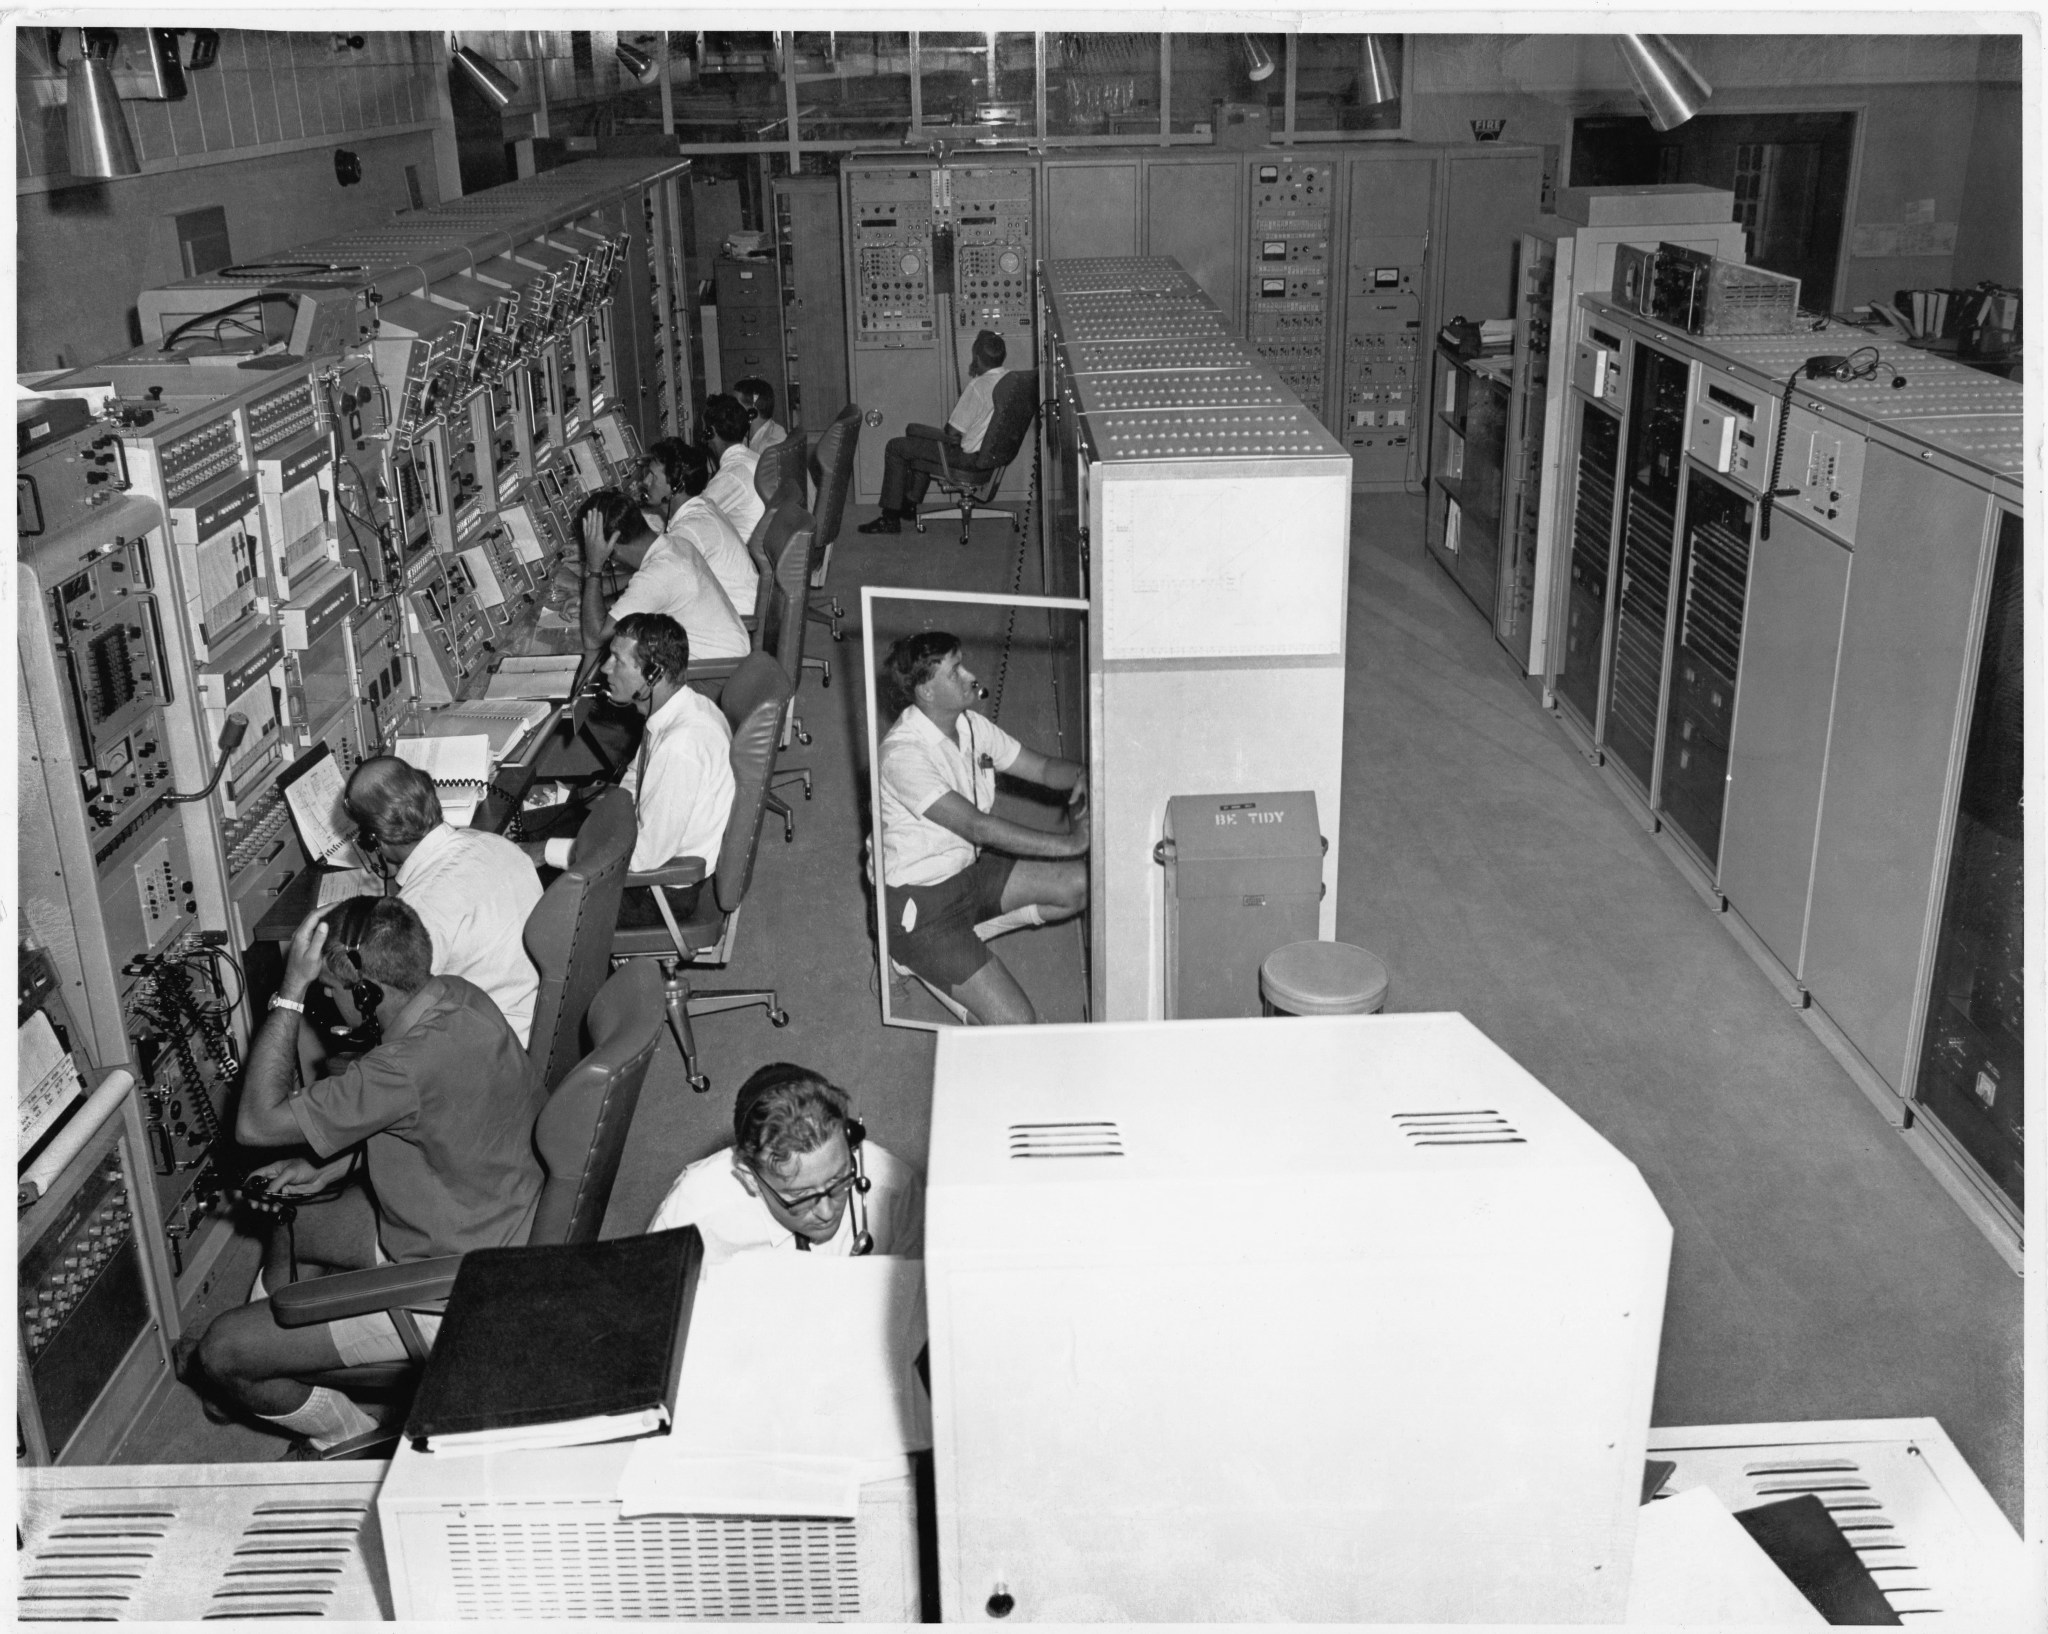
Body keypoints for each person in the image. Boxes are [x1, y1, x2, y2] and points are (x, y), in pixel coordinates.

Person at [185, 896, 546, 1452]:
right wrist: (332, 1162)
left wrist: (291, 991)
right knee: (291, 1215)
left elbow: (255, 1123)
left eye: (331, 992)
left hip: (449, 1286)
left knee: (220, 1353)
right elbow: (438, 1115)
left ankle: (343, 1433)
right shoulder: (459, 997)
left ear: (366, 992)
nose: (328, 1004)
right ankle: (275, 1346)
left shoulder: (399, 1069)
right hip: (500, 1219)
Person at [876, 631, 1088, 1024]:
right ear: (925, 691)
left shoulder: (970, 725)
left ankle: (958, 949)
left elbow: (1040, 768)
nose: (971, 675)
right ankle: (909, 955)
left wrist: (1085, 775)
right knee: (1017, 1024)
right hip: (922, 906)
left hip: (968, 873)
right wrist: (1071, 843)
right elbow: (977, 827)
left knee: (1078, 886)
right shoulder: (901, 755)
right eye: (956, 671)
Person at [342, 757, 544, 1047]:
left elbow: (395, 1025)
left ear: (374, 840)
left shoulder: (416, 914)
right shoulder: (498, 845)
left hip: (494, 1053)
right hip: (539, 1025)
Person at [646, 1063, 922, 1262]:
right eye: (801, 1196)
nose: (827, 1212)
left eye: (840, 1180)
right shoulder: (691, 1212)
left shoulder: (894, 1186)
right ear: (749, 1178)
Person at [541, 611, 735, 885]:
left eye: (618, 661)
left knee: (521, 880)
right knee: (541, 824)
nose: (606, 668)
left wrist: (550, 851)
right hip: (637, 841)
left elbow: (644, 857)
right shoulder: (679, 709)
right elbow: (634, 777)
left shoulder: (680, 748)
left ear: (654, 674)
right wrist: (610, 809)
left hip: (656, 890)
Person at [858, 330, 1012, 534]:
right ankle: (909, 505)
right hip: (991, 456)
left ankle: (890, 518)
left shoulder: (979, 386)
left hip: (967, 458)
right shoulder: (1011, 381)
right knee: (918, 443)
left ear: (977, 358)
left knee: (896, 447)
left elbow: (952, 432)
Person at [577, 486, 749, 665]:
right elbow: (637, 600)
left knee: (618, 671)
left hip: (713, 673)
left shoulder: (655, 576)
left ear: (612, 545)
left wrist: (594, 566)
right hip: (732, 659)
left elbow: (594, 640)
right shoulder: (674, 544)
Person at [637, 437, 759, 614]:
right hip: (735, 608)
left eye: (653, 477)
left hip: (737, 619)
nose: (645, 482)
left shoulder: (688, 530)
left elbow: (652, 589)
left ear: (676, 487)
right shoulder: (702, 506)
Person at [701, 392, 764, 544]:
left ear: (711, 432)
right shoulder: (752, 457)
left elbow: (692, 518)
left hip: (748, 556)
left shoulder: (732, 475)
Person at [732, 376, 789, 452]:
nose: (730, 411)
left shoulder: (768, 448)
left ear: (751, 413)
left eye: (735, 407)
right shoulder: (774, 429)